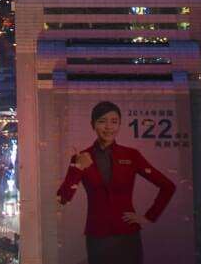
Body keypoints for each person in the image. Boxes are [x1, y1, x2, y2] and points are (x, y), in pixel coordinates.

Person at [54, 100, 177, 263]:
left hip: (127, 235)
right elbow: (63, 198)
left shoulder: (131, 155)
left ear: (119, 124)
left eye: (114, 122)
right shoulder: (81, 157)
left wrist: (149, 216)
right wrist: (78, 168)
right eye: (102, 122)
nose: (108, 127)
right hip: (97, 236)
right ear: (93, 125)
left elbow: (168, 186)